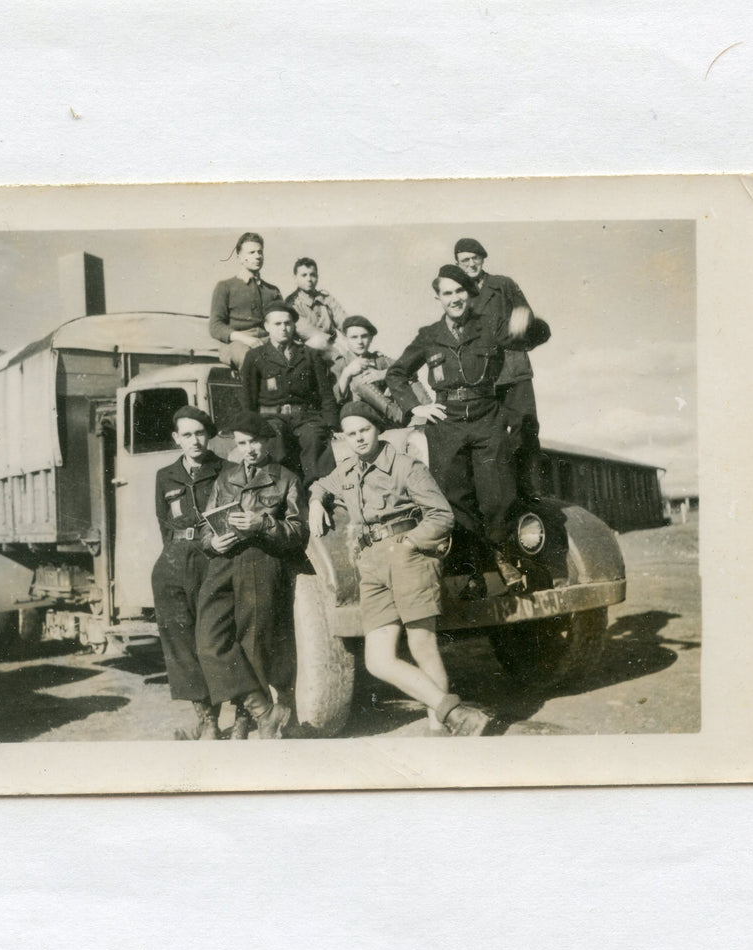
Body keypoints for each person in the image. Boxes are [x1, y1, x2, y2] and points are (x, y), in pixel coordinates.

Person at [309, 402, 491, 736]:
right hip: (371, 565)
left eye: (364, 430)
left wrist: (408, 544)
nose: (359, 438)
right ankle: (456, 713)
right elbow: (321, 485)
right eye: (351, 434)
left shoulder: (406, 466)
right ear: (343, 438)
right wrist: (314, 502)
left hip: (409, 557)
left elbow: (441, 515)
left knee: (422, 645)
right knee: (377, 660)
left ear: (377, 429)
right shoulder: (346, 471)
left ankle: (442, 726)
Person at [384, 265, 545, 596]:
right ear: (438, 298)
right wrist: (415, 407)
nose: (454, 298)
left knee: (497, 495)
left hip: (487, 418)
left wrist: (529, 323)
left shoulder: (490, 326)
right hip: (447, 424)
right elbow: (396, 373)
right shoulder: (429, 335)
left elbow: (531, 338)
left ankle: (501, 556)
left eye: (459, 291)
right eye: (447, 293)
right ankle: (471, 570)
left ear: (469, 295)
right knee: (455, 499)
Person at [195, 412, 308, 739]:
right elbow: (205, 526)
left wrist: (263, 524)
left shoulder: (286, 478)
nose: (249, 449)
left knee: (253, 645)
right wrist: (211, 542)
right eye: (242, 443)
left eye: (254, 442)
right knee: (208, 641)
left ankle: (256, 718)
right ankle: (267, 713)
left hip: (262, 562)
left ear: (268, 441)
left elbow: (299, 532)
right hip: (223, 563)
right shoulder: (225, 478)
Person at [148, 407, 226, 740]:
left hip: (213, 559)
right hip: (175, 560)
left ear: (209, 436)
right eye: (187, 435)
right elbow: (164, 523)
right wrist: (173, 557)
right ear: (176, 438)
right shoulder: (165, 475)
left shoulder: (227, 470)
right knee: (180, 641)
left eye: (200, 433)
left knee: (216, 640)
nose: (194, 441)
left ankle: (242, 716)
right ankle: (207, 720)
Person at [454, 237, 550, 498]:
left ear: (483, 259)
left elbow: (527, 317)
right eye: (464, 260)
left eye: (475, 258)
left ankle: (529, 489)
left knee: (525, 427)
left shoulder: (503, 284)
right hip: (480, 375)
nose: (470, 264)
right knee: (488, 434)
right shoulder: (457, 294)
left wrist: (522, 325)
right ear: (458, 264)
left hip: (512, 367)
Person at [240, 302, 338, 481]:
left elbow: (325, 393)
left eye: (287, 323)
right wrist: (250, 429)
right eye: (277, 324)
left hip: (305, 418)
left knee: (314, 439)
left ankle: (316, 493)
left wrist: (331, 425)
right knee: (275, 442)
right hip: (271, 419)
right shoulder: (255, 356)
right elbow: (248, 398)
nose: (283, 328)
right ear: (267, 326)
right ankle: (279, 492)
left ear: (293, 325)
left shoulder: (310, 354)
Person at [208, 232, 284, 373]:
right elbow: (215, 326)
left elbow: (282, 321)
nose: (257, 256)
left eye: (260, 252)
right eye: (251, 252)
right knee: (250, 358)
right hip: (237, 343)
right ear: (240, 257)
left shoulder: (272, 291)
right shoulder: (225, 286)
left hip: (267, 340)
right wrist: (245, 339)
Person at [329, 314, 414, 425]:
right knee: (359, 380)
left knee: (408, 377)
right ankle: (397, 414)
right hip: (359, 418)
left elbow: (412, 369)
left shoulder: (379, 360)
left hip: (385, 418)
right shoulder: (340, 364)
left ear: (371, 338)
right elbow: (332, 401)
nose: (360, 341)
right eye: (354, 337)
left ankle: (425, 412)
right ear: (345, 339)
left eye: (364, 336)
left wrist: (384, 374)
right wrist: (346, 373)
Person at [286, 257, 347, 359]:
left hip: (332, 348)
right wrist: (338, 347)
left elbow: (344, 321)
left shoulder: (327, 299)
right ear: (295, 278)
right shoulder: (292, 304)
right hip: (307, 353)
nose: (309, 279)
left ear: (317, 277)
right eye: (304, 275)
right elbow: (309, 333)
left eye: (312, 275)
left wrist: (354, 334)